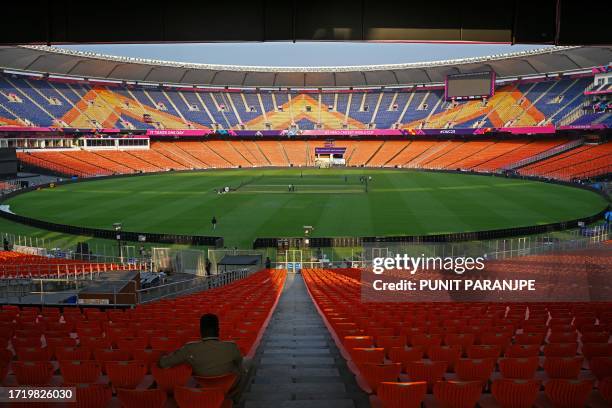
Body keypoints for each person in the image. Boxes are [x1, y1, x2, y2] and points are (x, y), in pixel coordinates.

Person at [158, 314, 252, 399]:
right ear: (218, 330)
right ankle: (233, 397)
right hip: (227, 384)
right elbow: (240, 364)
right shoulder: (231, 346)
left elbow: (163, 363)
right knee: (248, 363)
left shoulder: (189, 348)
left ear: (201, 331)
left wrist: (162, 355)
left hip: (203, 384)